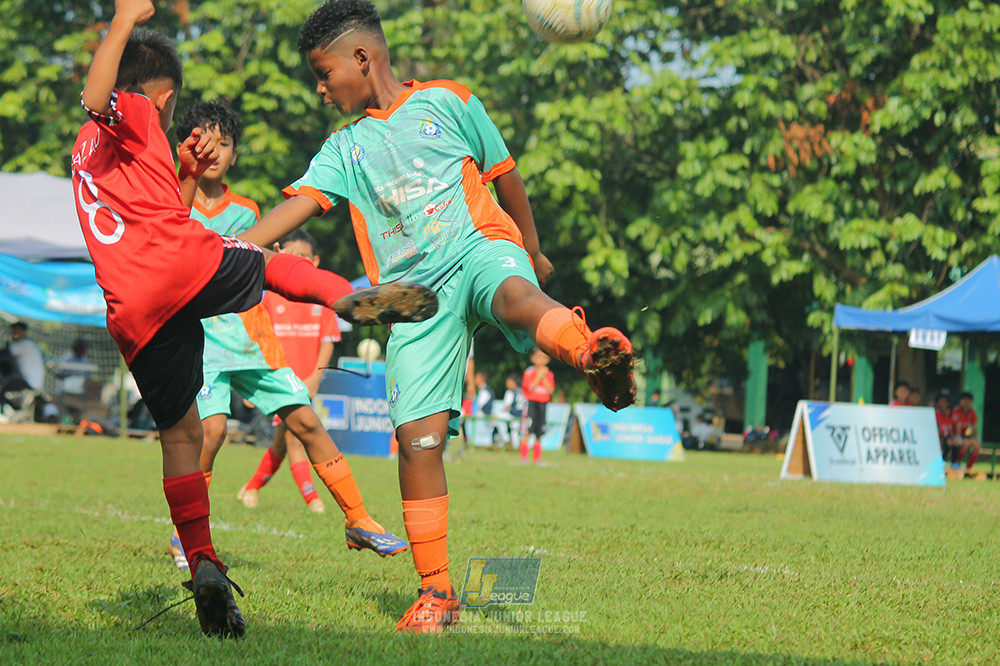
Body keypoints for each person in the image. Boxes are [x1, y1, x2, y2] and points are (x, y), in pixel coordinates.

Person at [237, 0, 636, 632]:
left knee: (514, 294)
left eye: (323, 72)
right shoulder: (344, 147)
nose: (319, 88)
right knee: (416, 440)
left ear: (362, 59)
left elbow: (508, 180)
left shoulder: (451, 100)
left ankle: (588, 351)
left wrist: (528, 251)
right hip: (414, 298)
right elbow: (300, 208)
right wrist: (234, 247)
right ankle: (437, 594)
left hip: (479, 246)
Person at [70, 1, 431, 639]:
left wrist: (183, 171)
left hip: (132, 308)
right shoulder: (129, 109)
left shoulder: (88, 153)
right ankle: (349, 297)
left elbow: (154, 206)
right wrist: (125, 18)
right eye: (171, 109)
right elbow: (97, 94)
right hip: (178, 267)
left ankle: (204, 562)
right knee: (263, 261)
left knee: (181, 436)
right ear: (164, 96)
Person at [165, 100, 406, 570]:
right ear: (187, 146)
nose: (213, 151)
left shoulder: (249, 212)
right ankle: (184, 533)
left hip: (253, 340)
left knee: (307, 422)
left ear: (235, 154)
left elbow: (261, 268)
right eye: (203, 141)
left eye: (225, 143)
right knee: (210, 432)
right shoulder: (174, 202)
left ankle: (359, 519)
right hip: (203, 342)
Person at [237, 229, 343, 514]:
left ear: (316, 261)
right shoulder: (269, 297)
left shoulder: (321, 300)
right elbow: (256, 337)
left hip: (305, 383)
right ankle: (313, 501)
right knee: (294, 439)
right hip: (277, 380)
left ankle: (251, 488)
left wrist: (314, 379)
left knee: (283, 441)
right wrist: (253, 381)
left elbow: (328, 343)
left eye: (304, 257)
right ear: (279, 252)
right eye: (292, 254)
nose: (298, 260)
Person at [520, 348, 554, 463]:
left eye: (543, 357)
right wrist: (538, 376)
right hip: (531, 403)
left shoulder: (549, 374)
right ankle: (524, 457)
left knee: (539, 432)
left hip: (543, 404)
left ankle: (537, 458)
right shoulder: (529, 372)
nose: (540, 360)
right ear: (532, 359)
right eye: (538, 357)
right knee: (527, 430)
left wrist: (543, 377)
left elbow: (550, 390)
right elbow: (529, 388)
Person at [7, 322, 44, 392]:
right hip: (31, 382)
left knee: (3, 384)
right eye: (13, 332)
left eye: (16, 331)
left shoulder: (25, 344)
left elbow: (5, 353)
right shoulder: (29, 344)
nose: (14, 334)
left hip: (29, 381)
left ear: (24, 332)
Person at [951, 391, 981, 471]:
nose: (967, 402)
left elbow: (974, 427)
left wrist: (975, 438)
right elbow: (958, 425)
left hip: (963, 435)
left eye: (969, 400)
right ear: (961, 401)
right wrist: (958, 438)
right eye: (965, 400)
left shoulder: (971, 412)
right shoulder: (957, 410)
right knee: (965, 443)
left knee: (977, 444)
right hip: (953, 434)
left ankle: (969, 468)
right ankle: (956, 463)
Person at [934, 393, 959, 462]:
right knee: (948, 442)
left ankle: (954, 463)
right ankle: (942, 460)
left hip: (947, 436)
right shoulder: (936, 413)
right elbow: (937, 427)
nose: (943, 403)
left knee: (955, 441)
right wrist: (940, 437)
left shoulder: (950, 414)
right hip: (938, 436)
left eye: (945, 401)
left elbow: (951, 428)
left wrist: (951, 437)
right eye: (941, 401)